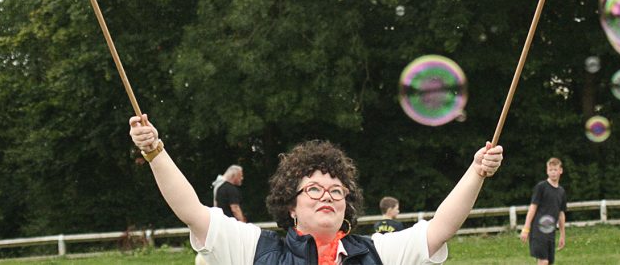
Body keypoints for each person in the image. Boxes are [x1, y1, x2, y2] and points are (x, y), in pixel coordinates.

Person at [129, 114, 503, 265]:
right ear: (291, 205)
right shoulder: (255, 248)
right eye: (314, 189)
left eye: (337, 191)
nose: (327, 195)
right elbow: (191, 210)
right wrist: (154, 151)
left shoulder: (375, 253)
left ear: (347, 205)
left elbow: (440, 229)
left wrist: (476, 171)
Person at [520, 158, 567, 265]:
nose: (553, 172)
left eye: (555, 170)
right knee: (543, 261)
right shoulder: (541, 187)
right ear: (547, 171)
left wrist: (562, 235)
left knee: (549, 262)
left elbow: (561, 214)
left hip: (551, 231)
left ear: (560, 171)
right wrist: (526, 228)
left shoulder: (561, 191)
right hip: (538, 230)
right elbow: (532, 208)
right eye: (550, 170)